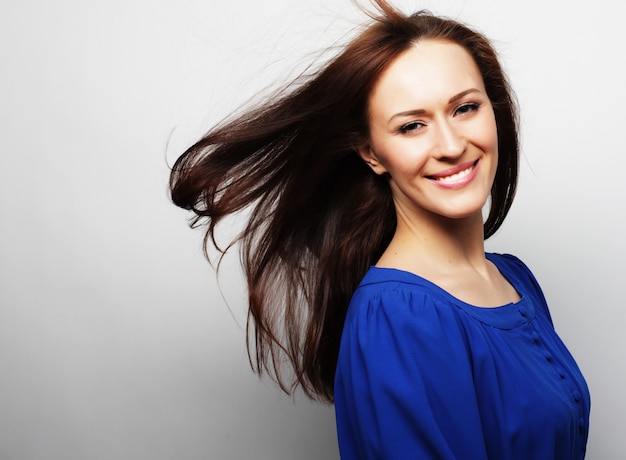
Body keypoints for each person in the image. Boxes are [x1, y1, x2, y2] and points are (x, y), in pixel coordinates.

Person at [170, 1, 590, 458]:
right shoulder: (397, 315)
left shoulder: (515, 279)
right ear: (370, 152)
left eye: (465, 108)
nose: (450, 145)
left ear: (494, 109)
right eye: (412, 126)